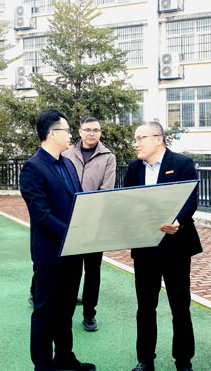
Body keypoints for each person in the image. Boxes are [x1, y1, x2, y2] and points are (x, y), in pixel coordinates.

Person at [20, 110, 96, 371]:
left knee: (66, 310)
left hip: (73, 252)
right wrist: (72, 234)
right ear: (52, 133)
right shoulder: (32, 168)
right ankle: (42, 365)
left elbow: (79, 202)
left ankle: (64, 357)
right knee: (45, 312)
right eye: (67, 130)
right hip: (50, 255)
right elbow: (40, 214)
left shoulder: (68, 164)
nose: (71, 135)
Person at [123, 121, 201, 371]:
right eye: (135, 139)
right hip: (145, 247)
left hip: (176, 246)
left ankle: (184, 361)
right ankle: (145, 360)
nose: (135, 144)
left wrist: (177, 221)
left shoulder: (182, 164)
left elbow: (190, 199)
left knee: (180, 306)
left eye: (140, 138)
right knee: (145, 307)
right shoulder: (134, 168)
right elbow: (126, 201)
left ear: (158, 139)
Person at [62, 116, 116, 332]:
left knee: (93, 271)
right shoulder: (66, 154)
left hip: (95, 223)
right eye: (87, 129)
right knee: (71, 270)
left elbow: (107, 190)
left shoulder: (108, 157)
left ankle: (89, 313)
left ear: (100, 133)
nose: (92, 133)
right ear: (80, 131)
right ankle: (65, 313)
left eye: (96, 130)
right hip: (70, 222)